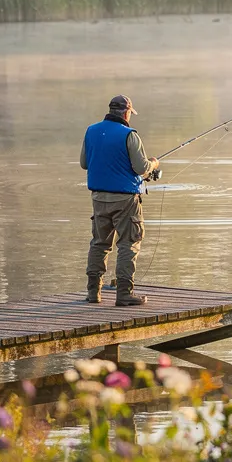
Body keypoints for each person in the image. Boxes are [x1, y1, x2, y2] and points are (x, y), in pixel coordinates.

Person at [79, 95, 160, 306]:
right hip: (125, 200)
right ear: (126, 113)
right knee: (128, 244)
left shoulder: (91, 131)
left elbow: (84, 163)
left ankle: (93, 292)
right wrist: (153, 163)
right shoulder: (130, 135)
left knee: (99, 243)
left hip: (98, 198)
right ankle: (124, 294)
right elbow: (141, 168)